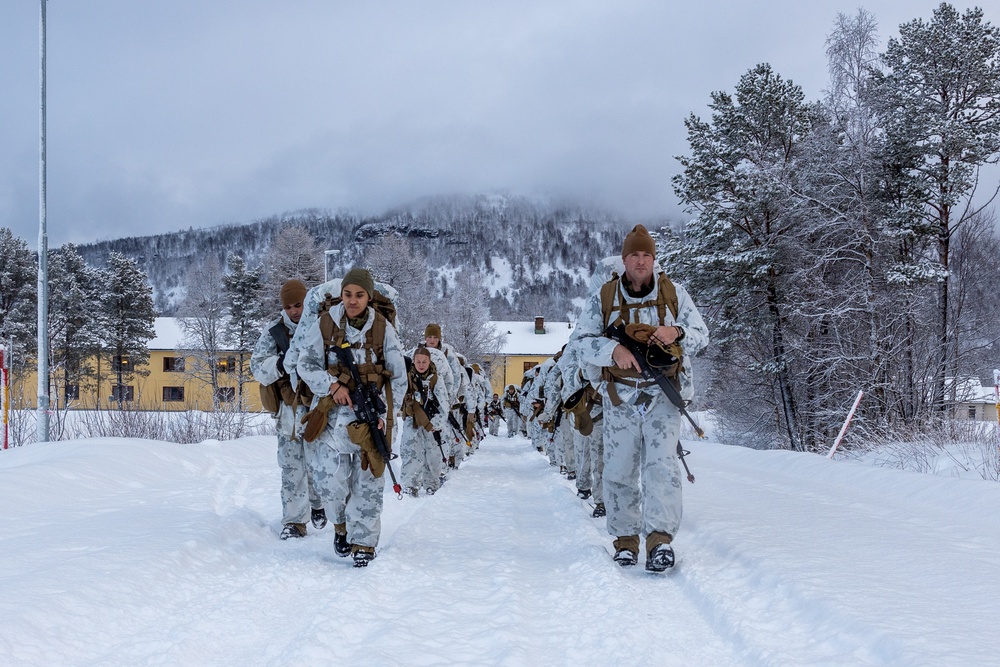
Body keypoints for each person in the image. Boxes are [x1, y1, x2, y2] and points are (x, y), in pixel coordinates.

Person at [575, 224, 709, 572]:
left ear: (653, 258)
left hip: (663, 397)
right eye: (634, 255)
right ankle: (625, 541)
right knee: (619, 471)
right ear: (624, 260)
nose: (640, 261)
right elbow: (580, 342)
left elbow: (701, 335)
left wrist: (675, 331)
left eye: (646, 254)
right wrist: (614, 349)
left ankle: (660, 541)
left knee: (662, 470)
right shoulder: (604, 297)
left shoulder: (674, 294)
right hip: (620, 397)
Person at [296, 268, 407, 567]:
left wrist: (385, 413)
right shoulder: (325, 323)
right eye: (348, 294)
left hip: (371, 418)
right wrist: (331, 386)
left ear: (369, 297)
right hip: (333, 419)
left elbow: (398, 376)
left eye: (359, 295)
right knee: (331, 484)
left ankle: (364, 544)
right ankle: (340, 525)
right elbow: (304, 364)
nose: (353, 300)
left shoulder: (383, 328)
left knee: (369, 484)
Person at [250, 279, 328, 540]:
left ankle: (318, 504)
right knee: (292, 466)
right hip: (289, 411)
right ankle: (295, 521)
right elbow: (257, 367)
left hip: (319, 405)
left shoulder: (322, 324)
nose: (295, 310)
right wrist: (281, 364)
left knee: (318, 463)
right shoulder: (275, 332)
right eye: (289, 306)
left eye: (299, 304)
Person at [400, 347, 448, 496]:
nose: (421, 365)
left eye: (424, 362)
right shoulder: (406, 377)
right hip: (411, 420)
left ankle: (431, 484)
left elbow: (444, 404)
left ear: (429, 362)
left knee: (432, 454)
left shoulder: (435, 379)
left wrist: (437, 423)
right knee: (410, 453)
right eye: (418, 361)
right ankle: (410, 484)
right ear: (413, 361)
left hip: (431, 422)